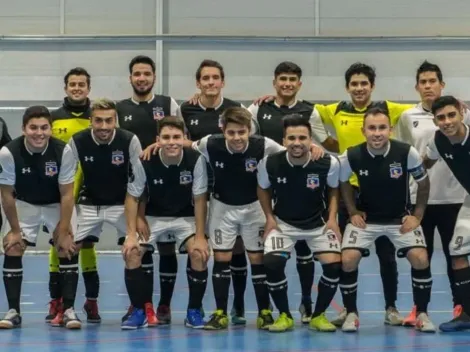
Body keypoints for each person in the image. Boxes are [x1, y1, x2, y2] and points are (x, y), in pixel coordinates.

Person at [256, 62, 413, 325]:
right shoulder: (334, 109)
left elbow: (424, 107)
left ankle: (391, 307)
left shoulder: (389, 109)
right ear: (347, 87)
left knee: (386, 254)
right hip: (347, 188)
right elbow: (302, 109)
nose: (359, 88)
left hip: (381, 188)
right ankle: (348, 309)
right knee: (346, 254)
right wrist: (273, 99)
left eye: (364, 84)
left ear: (372, 86)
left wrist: (451, 101)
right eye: (354, 84)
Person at [338, 107, 435, 333]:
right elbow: (343, 183)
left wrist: (417, 216)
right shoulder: (351, 154)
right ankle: (351, 312)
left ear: (390, 130)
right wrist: (352, 211)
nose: (377, 133)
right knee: (348, 259)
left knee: (420, 258)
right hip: (367, 219)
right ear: (363, 131)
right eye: (372, 128)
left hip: (399, 219)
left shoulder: (405, 152)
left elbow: (423, 182)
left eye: (382, 127)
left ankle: (421, 312)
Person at [179, 59, 258, 324]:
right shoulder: (186, 109)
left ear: (222, 82)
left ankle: (237, 306)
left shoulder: (237, 109)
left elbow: (252, 142)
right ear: (198, 83)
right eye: (205, 78)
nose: (210, 82)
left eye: (215, 78)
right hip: (200, 188)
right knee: (203, 247)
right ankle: (197, 306)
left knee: (237, 249)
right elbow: (181, 141)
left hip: (233, 189)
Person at [53, 98, 143, 329]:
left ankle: (138, 309)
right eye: (99, 121)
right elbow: (66, 182)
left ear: (116, 121)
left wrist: (135, 225)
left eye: (109, 121)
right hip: (88, 203)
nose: (104, 126)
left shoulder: (129, 140)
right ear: (91, 121)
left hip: (122, 203)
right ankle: (69, 309)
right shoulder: (77, 141)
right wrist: (64, 226)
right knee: (67, 245)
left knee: (135, 249)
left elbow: (139, 181)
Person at [395, 62, 470, 325]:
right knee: (420, 257)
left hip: (457, 199)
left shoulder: (464, 114)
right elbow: (412, 158)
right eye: (423, 82)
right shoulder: (407, 117)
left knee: (456, 255)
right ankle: (420, 309)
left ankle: (461, 308)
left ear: (442, 84)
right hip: (421, 201)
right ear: (417, 87)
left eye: (433, 81)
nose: (428, 86)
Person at [257, 114, 342, 332]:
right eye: (291, 138)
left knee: (333, 266)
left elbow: (334, 189)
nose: (297, 142)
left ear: (310, 139)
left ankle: (318, 315)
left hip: (318, 224)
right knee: (272, 264)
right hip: (283, 224)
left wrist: (332, 219)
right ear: (283, 141)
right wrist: (269, 218)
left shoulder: (327, 162)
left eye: (302, 138)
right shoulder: (270, 163)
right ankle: (284, 315)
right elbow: (263, 188)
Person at [125, 116, 209, 329]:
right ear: (157, 139)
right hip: (153, 217)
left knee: (199, 254)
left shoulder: (195, 159)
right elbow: (133, 197)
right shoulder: (144, 160)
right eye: (166, 137)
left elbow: (200, 199)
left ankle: (194, 311)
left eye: (176, 137)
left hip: (185, 218)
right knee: (131, 252)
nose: (171, 142)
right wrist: (132, 232)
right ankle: (138, 310)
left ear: (185, 138)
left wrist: (200, 236)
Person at [117, 55, 179, 326]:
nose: (141, 78)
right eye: (137, 73)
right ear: (130, 77)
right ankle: (141, 304)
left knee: (166, 249)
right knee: (137, 248)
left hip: (167, 186)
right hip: (133, 186)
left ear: (154, 76)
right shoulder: (119, 109)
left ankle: (163, 304)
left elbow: (180, 135)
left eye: (146, 73)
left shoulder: (168, 104)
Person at [0, 106, 75, 329]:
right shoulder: (7, 153)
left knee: (68, 246)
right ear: (23, 129)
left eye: (44, 128)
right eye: (33, 128)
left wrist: (63, 229)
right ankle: (13, 311)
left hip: (56, 203)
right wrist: (15, 230)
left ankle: (68, 309)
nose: (39, 133)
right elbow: (6, 194)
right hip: (24, 203)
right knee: (12, 246)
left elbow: (67, 193)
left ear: (51, 129)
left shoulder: (64, 151)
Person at [47, 67, 101, 325]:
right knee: (58, 242)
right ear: (66, 87)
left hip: (89, 192)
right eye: (72, 84)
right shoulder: (54, 118)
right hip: (60, 191)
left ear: (88, 88)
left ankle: (92, 302)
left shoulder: (98, 117)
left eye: (82, 84)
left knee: (87, 245)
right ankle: (56, 301)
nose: (77, 88)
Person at [423, 95, 470, 332]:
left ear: (462, 112)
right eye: (440, 117)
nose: (447, 121)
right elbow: (425, 163)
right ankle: (467, 313)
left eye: (451, 115)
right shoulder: (438, 141)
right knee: (457, 252)